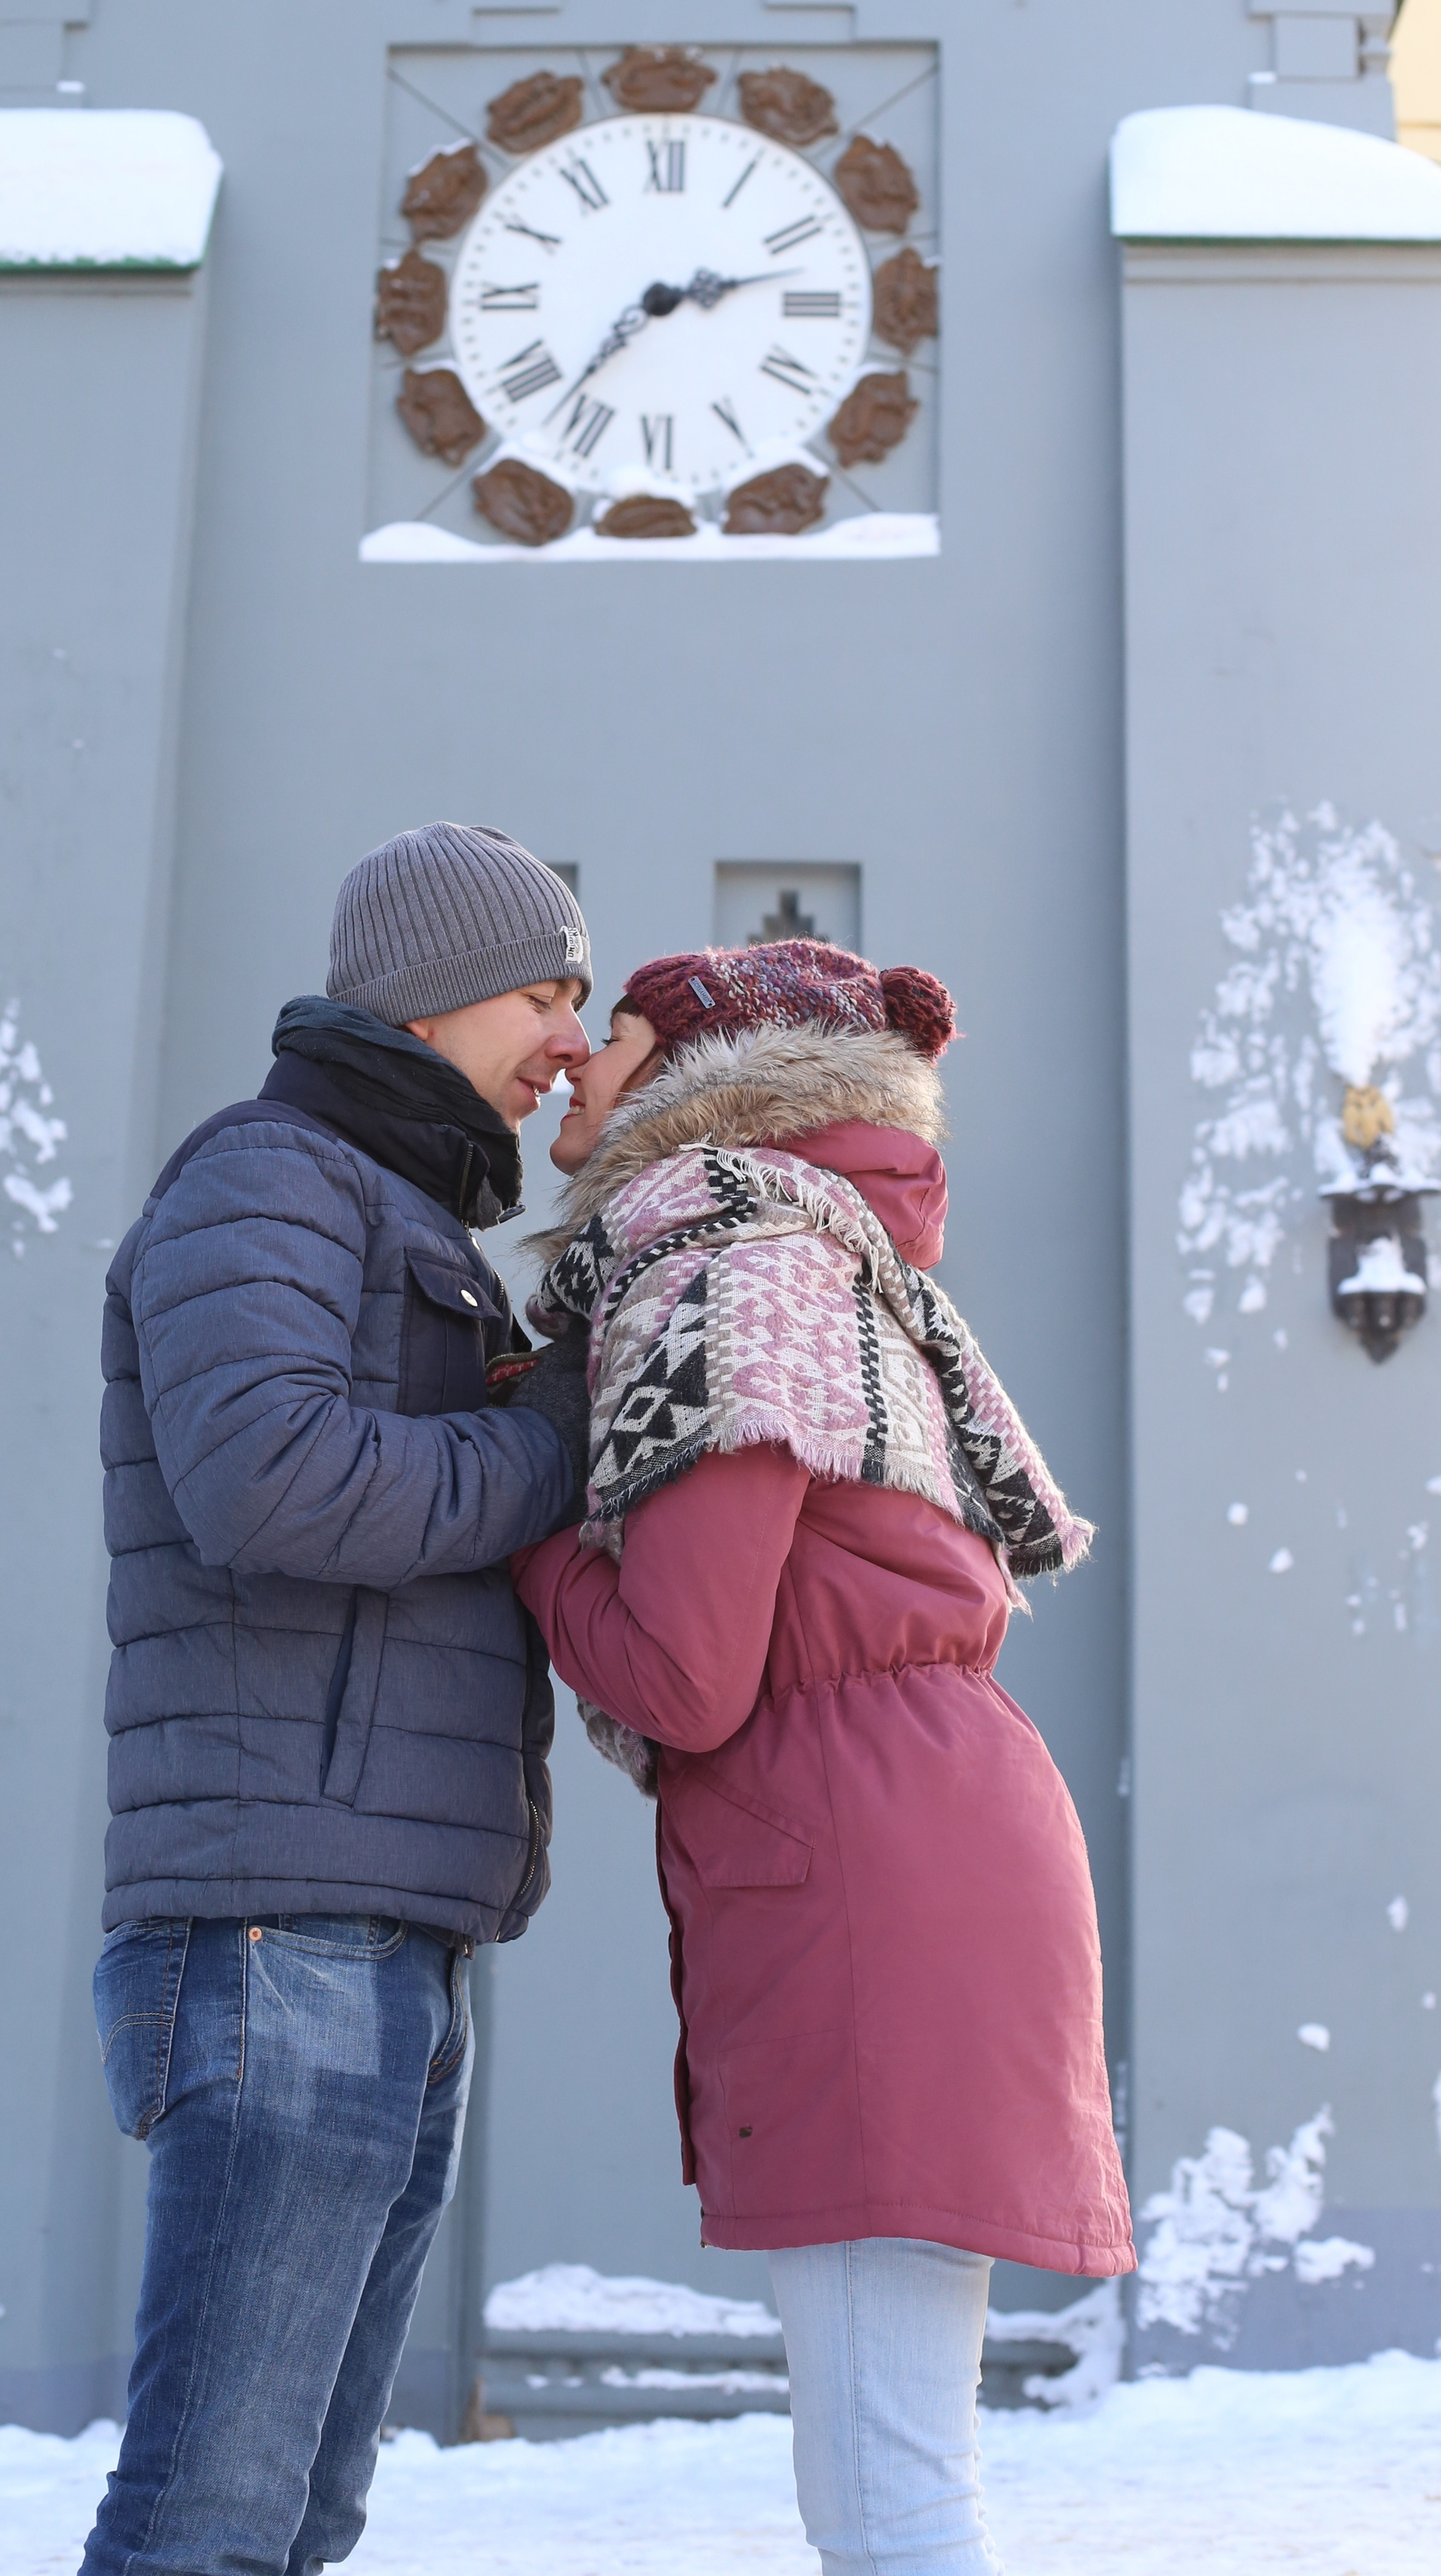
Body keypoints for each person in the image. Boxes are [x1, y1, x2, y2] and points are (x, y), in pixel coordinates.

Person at [513, 938, 1135, 2576]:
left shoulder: (734, 1269)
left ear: (697, 1077)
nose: (574, 1058)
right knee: (898, 2470)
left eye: (615, 1033)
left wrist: (519, 1522)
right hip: (912, 1829)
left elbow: (682, 1676)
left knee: (887, 2491)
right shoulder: (805, 1255)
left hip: (873, 1874)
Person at [81, 822, 593, 2576]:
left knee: (296, 2517)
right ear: (436, 994)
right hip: (276, 1926)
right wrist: (542, 1446)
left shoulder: (388, 1211)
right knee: (212, 2517)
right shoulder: (268, 1177)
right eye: (547, 988)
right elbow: (273, 1486)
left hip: (374, 1928)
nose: (573, 1040)